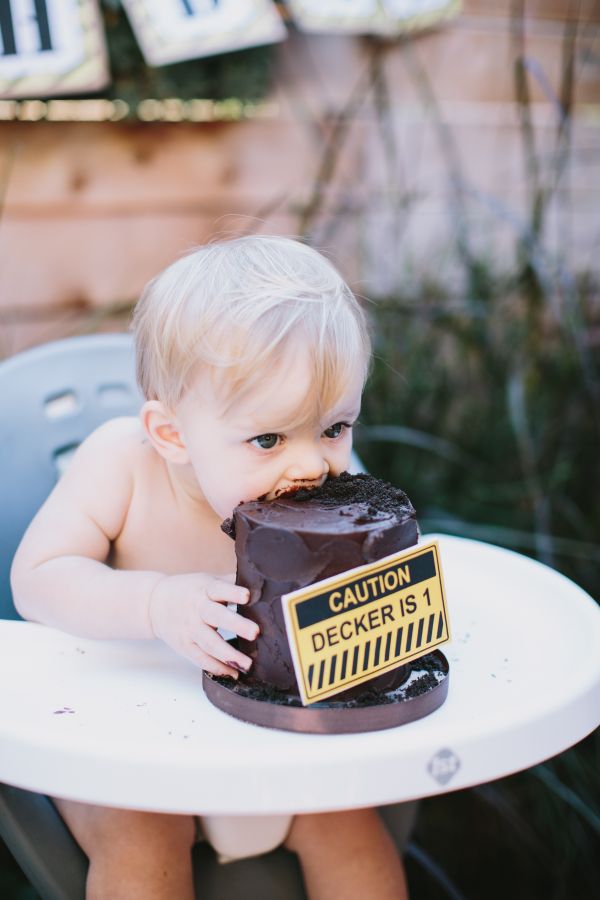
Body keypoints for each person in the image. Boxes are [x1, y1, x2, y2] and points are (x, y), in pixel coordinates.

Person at [11, 235, 409, 900]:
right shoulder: (122, 466)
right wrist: (153, 603)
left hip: (276, 737)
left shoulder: (331, 503)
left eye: (335, 428)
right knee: (140, 842)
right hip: (127, 740)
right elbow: (38, 578)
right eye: (267, 439)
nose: (313, 466)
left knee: (351, 831)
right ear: (172, 436)